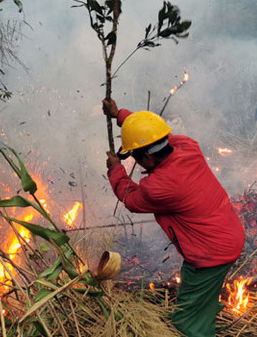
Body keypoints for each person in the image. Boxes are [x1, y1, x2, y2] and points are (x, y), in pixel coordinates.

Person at [102, 98, 245, 337]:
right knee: (201, 299)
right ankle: (205, 312)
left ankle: (199, 327)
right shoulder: (188, 146)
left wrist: (116, 168)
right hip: (227, 234)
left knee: (188, 322)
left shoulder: (161, 186)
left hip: (211, 253)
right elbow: (151, 133)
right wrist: (120, 115)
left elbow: (130, 198)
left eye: (135, 157)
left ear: (146, 159)